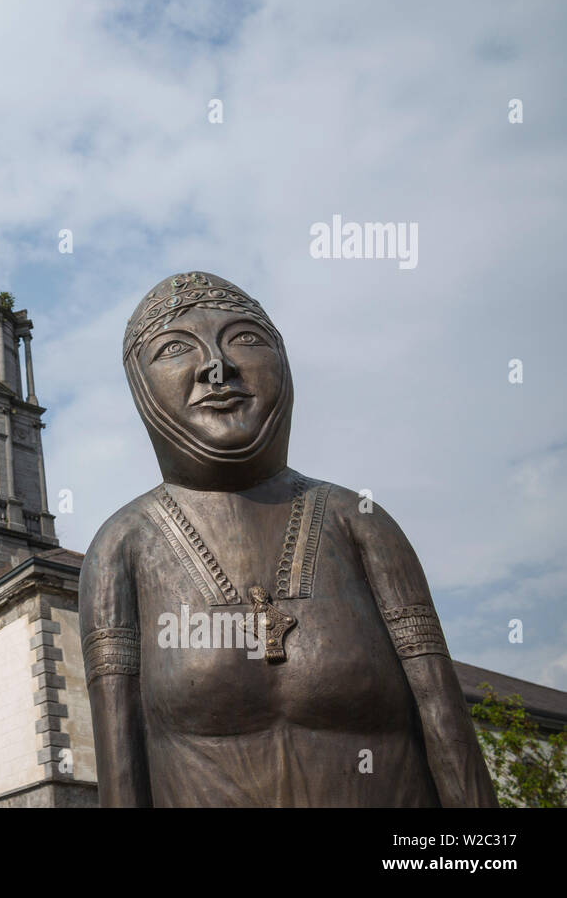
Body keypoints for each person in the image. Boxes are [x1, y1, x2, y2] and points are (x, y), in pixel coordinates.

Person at [81, 271, 496, 806]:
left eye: (245, 339)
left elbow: (446, 724)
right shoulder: (123, 545)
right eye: (174, 349)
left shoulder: (357, 520)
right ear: (141, 390)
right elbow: (121, 769)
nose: (217, 366)